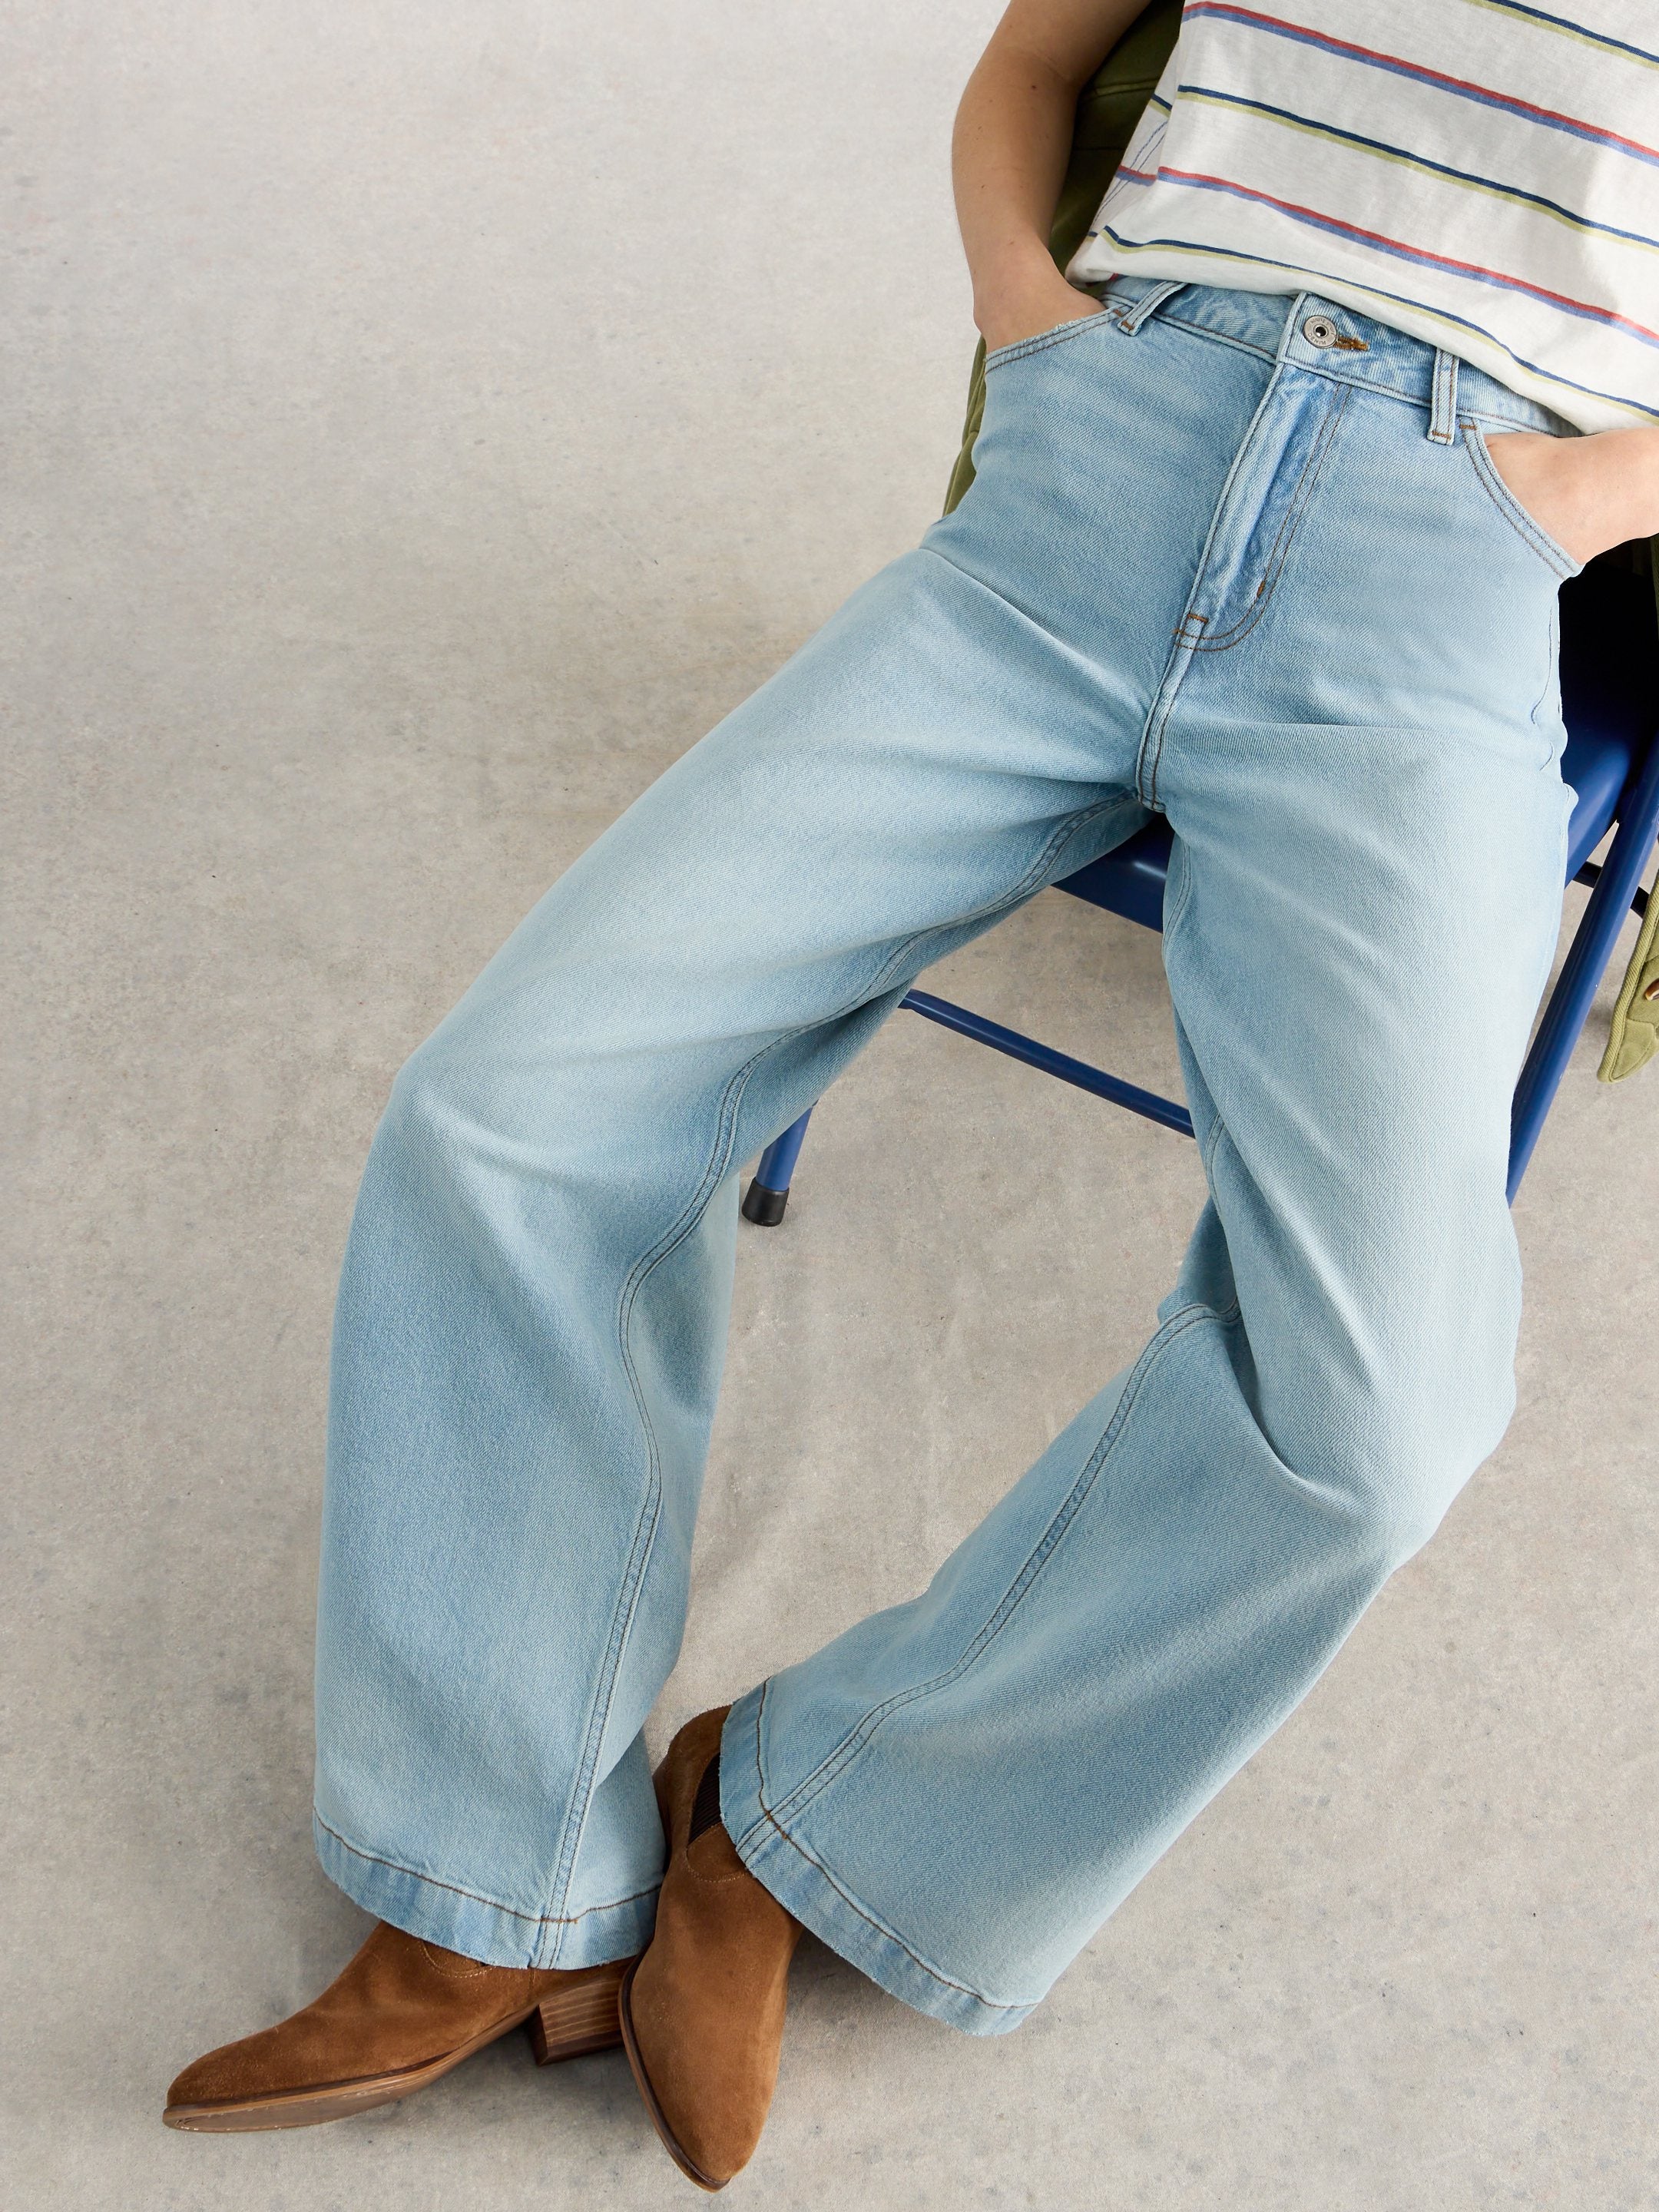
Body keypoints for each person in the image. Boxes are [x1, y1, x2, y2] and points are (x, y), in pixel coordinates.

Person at [164, 0, 1659, 2186]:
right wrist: (1034, 330)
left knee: (1381, 1420)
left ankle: (794, 1829)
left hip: (1435, 599)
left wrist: (1564, 501)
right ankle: (484, 1885)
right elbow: (1033, 62)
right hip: (1097, 465)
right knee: (513, 1107)